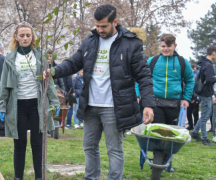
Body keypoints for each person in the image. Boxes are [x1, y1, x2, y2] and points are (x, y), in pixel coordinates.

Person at [43, 4, 155, 179]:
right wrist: (54, 71)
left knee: (114, 149)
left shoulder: (131, 43)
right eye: (97, 25)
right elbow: (74, 63)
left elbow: (144, 76)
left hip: (114, 106)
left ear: (115, 22)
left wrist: (148, 104)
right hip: (90, 105)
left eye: (104, 26)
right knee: (89, 146)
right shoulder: (90, 40)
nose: (100, 29)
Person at [0, 22, 60, 180]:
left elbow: (47, 82)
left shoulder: (40, 56)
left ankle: (39, 177)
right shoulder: (10, 58)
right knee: (20, 143)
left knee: (38, 144)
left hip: (37, 105)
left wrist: (54, 102)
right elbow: (3, 84)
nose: (25, 38)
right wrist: (1, 106)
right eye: (22, 35)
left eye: (28, 35)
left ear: (33, 38)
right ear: (16, 37)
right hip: (18, 106)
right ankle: (18, 177)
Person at [136, 34, 195, 172]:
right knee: (159, 132)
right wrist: (139, 95)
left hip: (174, 105)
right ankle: (158, 162)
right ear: (160, 46)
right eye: (163, 46)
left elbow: (190, 80)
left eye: (168, 46)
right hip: (155, 103)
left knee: (171, 136)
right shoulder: (153, 61)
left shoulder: (182, 62)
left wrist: (186, 98)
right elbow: (141, 77)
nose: (165, 49)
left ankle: (166, 161)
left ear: (175, 46)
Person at [191, 45, 216, 146]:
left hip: (204, 92)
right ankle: (205, 138)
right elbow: (209, 80)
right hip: (206, 93)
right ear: (213, 53)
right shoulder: (208, 65)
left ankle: (195, 133)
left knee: (205, 114)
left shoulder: (204, 64)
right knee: (205, 115)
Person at [187, 64, 200, 130]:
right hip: (192, 96)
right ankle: (193, 125)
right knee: (193, 113)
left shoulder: (193, 75)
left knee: (192, 113)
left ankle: (193, 126)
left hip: (192, 96)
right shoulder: (196, 74)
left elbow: (192, 87)